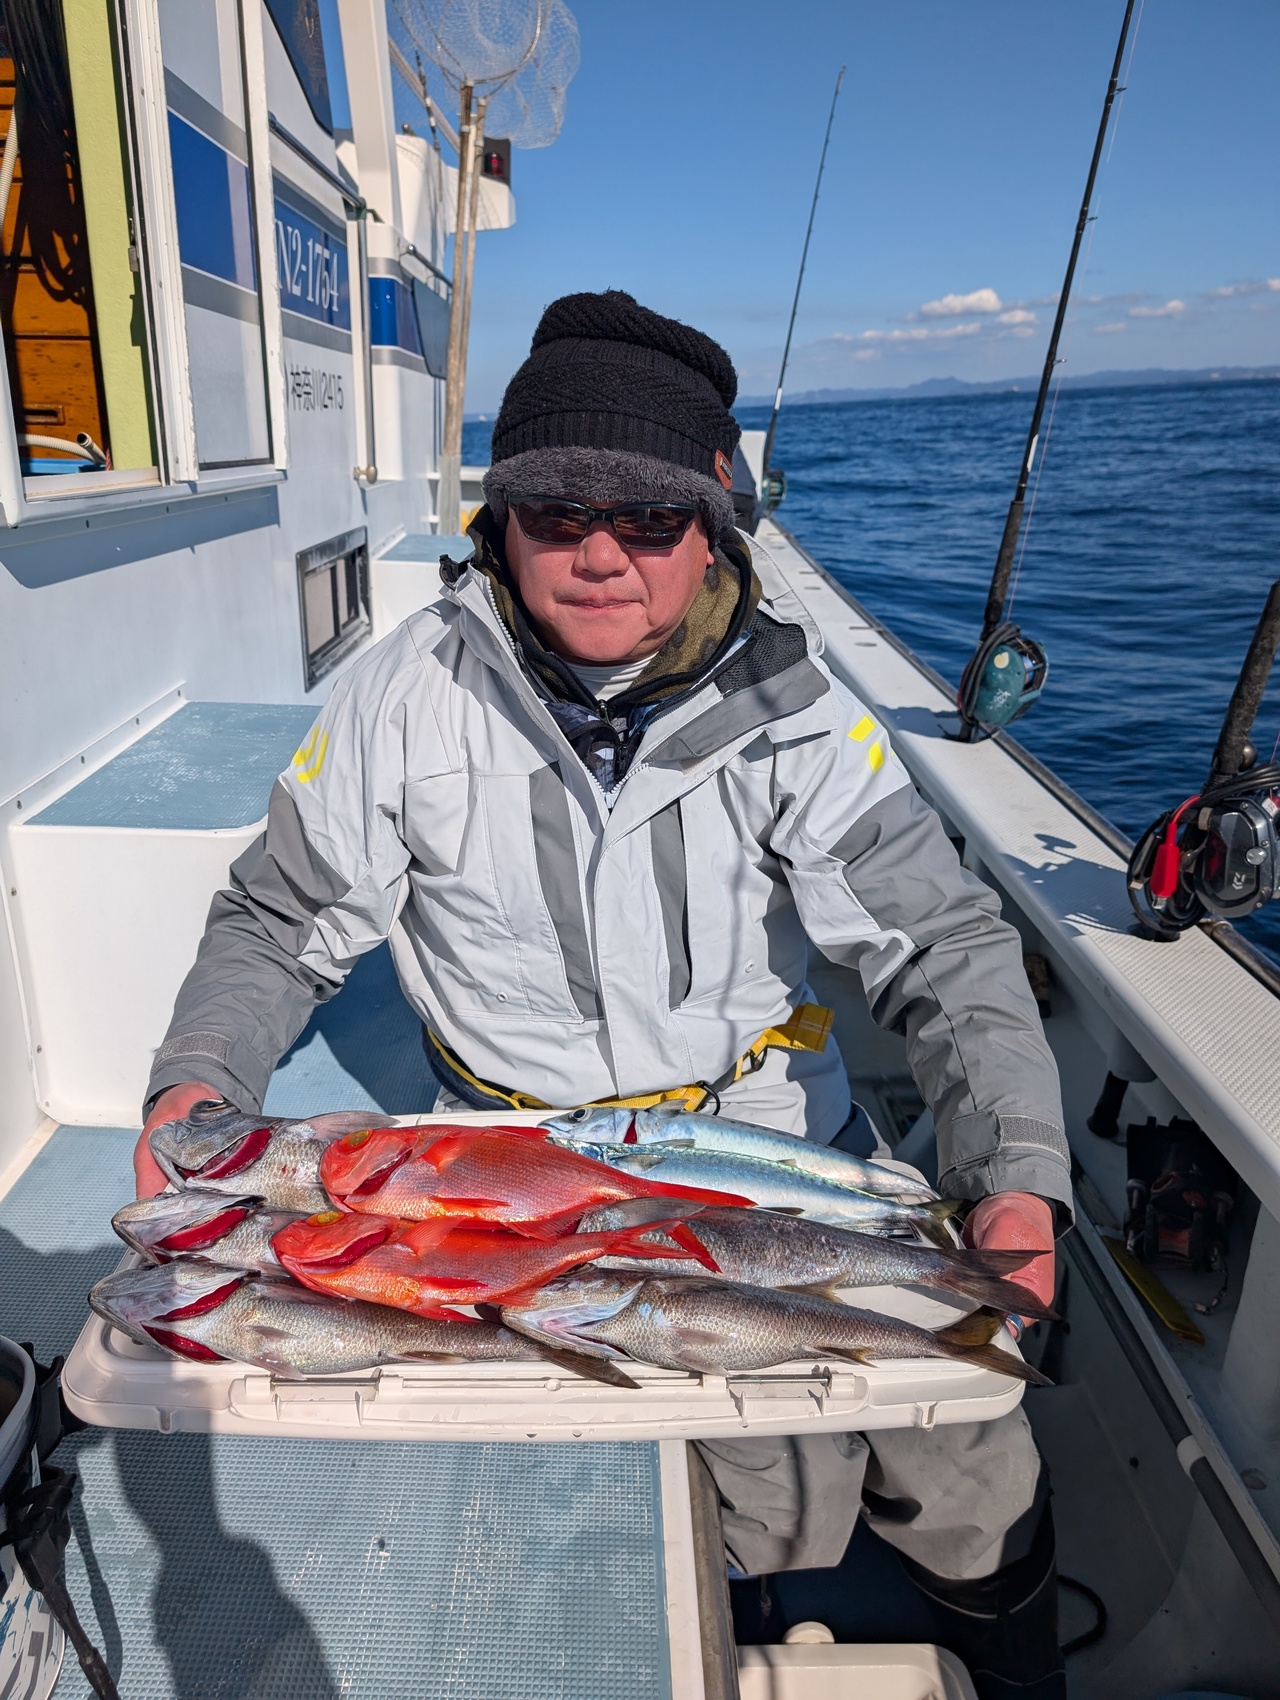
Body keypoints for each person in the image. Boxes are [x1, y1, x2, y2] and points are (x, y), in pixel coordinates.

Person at [136, 290, 1071, 1699]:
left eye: (648, 517)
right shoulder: (401, 695)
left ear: (712, 524)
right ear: (499, 520)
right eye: (557, 508)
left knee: (969, 1457)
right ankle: (730, 1597)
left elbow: (940, 947)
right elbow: (278, 922)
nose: (599, 552)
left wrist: (1015, 1175)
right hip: (506, 1178)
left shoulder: (804, 714)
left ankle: (1010, 1655)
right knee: (685, 1476)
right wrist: (197, 1086)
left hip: (773, 1146)